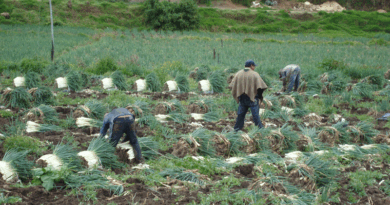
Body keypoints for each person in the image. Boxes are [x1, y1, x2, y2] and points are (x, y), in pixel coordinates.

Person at [229, 60, 268, 131]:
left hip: (242, 98)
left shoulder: (238, 74)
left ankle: (236, 130)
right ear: (251, 66)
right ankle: (261, 130)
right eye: (254, 66)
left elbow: (232, 85)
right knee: (255, 116)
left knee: (240, 115)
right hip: (252, 98)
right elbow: (261, 87)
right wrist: (259, 96)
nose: (254, 67)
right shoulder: (255, 74)